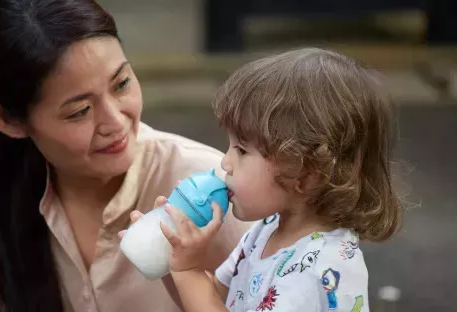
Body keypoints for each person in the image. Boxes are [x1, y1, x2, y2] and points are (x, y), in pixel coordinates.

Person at [0, 0, 250, 311]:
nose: (116, 122)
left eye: (121, 83)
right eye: (80, 111)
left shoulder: (214, 186)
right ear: (9, 121)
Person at [121, 48, 403, 311]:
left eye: (242, 150)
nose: (225, 162)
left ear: (307, 174)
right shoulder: (267, 230)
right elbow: (214, 298)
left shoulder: (324, 265)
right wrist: (171, 258)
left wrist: (187, 270)